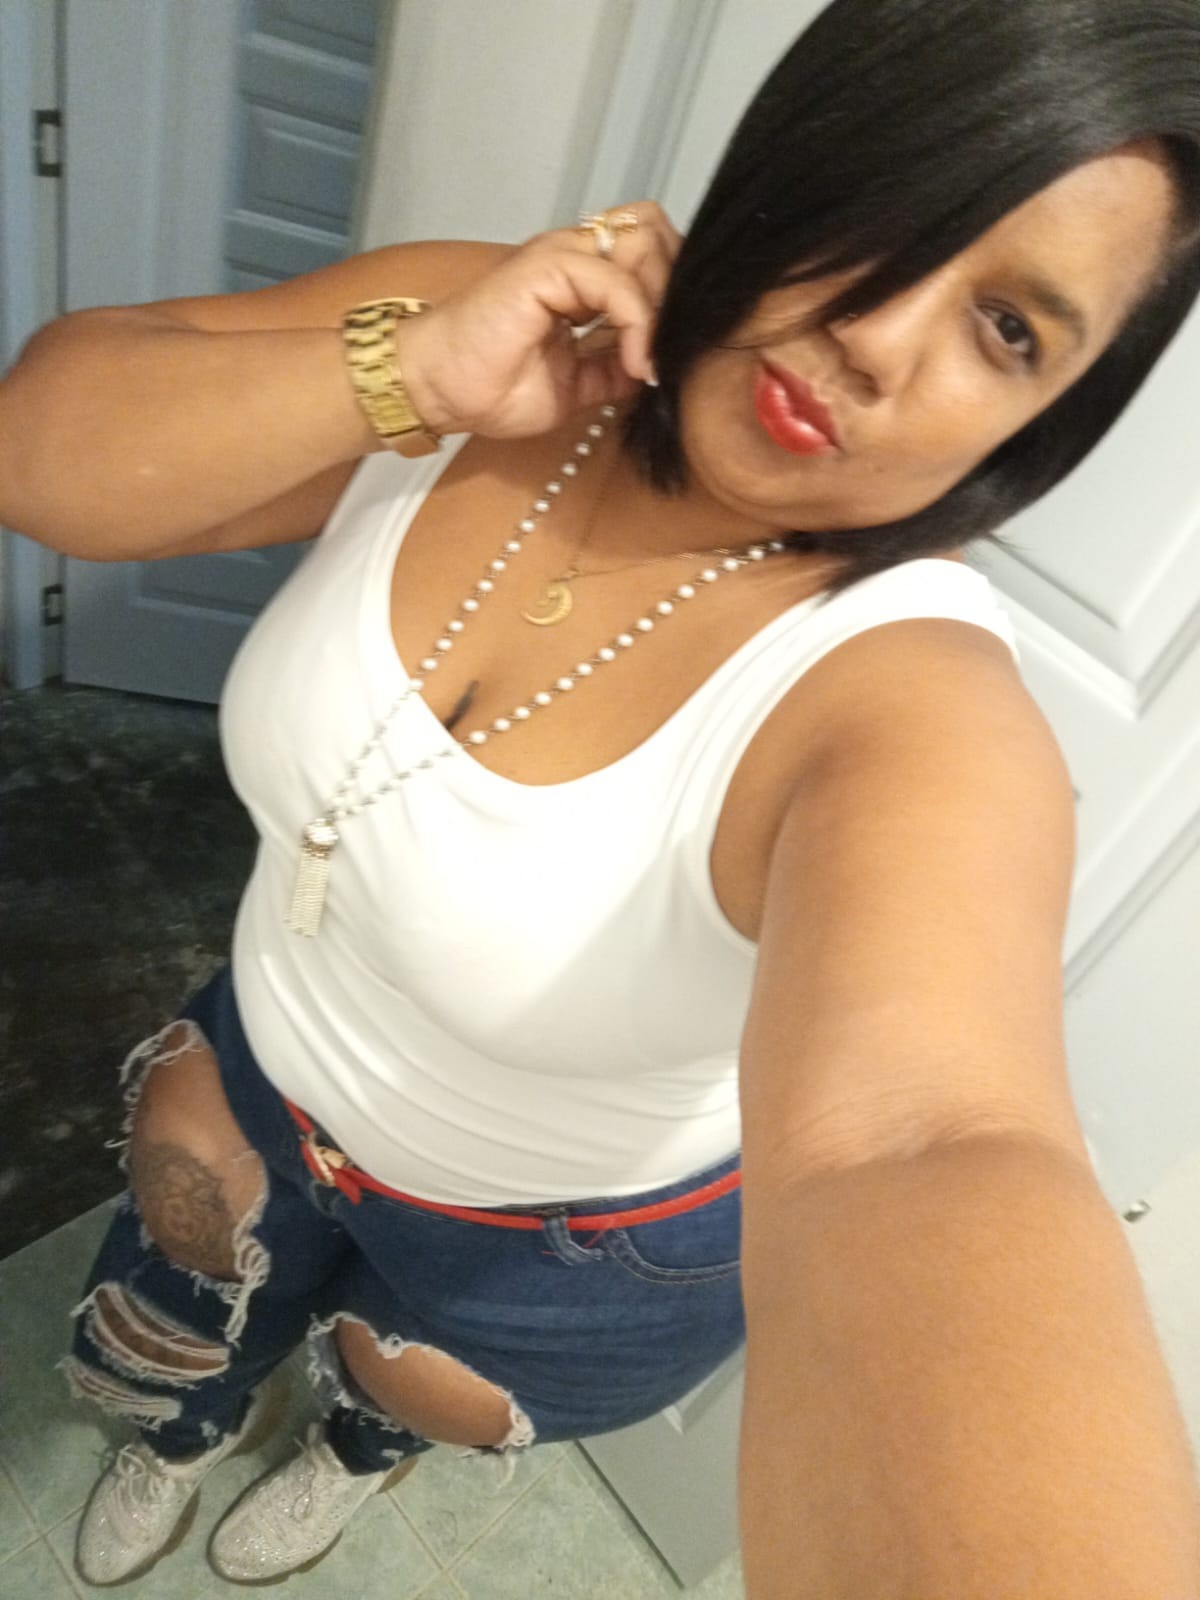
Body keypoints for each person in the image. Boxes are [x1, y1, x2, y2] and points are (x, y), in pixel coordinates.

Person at [4, 0, 1200, 1592]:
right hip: (267, 1058)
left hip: (573, 1252)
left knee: (397, 1391)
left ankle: (353, 1450)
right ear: (792, 151)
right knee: (177, 1324)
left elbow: (930, 1141)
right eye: (893, 207)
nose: (880, 336)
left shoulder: (907, 706)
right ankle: (184, 1429)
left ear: (1045, 421)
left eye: (1008, 330)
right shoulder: (482, 335)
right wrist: (414, 369)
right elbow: (43, 453)